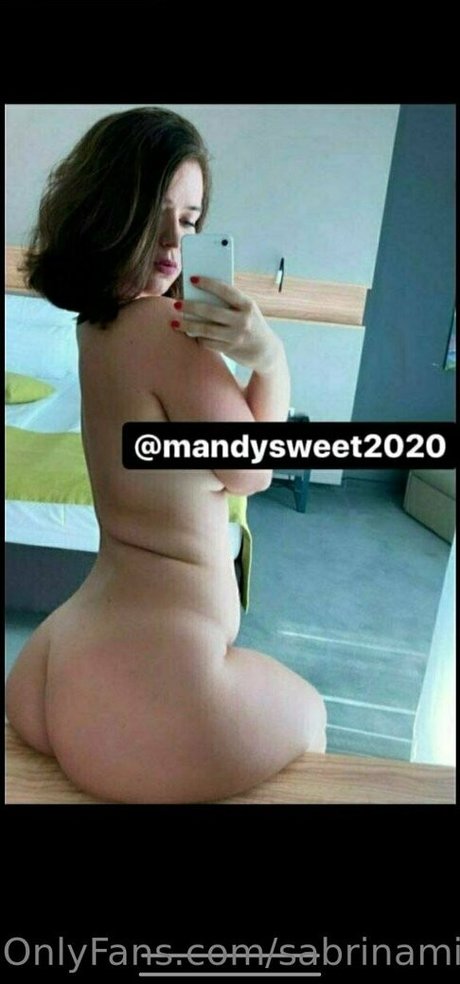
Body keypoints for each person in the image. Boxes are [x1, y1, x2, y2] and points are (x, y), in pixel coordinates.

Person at [6, 106, 326, 802]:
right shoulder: (163, 328)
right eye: (156, 214)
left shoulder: (98, 324)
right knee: (312, 719)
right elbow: (252, 469)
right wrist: (270, 358)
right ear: (110, 212)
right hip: (160, 669)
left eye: (191, 219)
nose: (176, 240)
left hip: (63, 648)